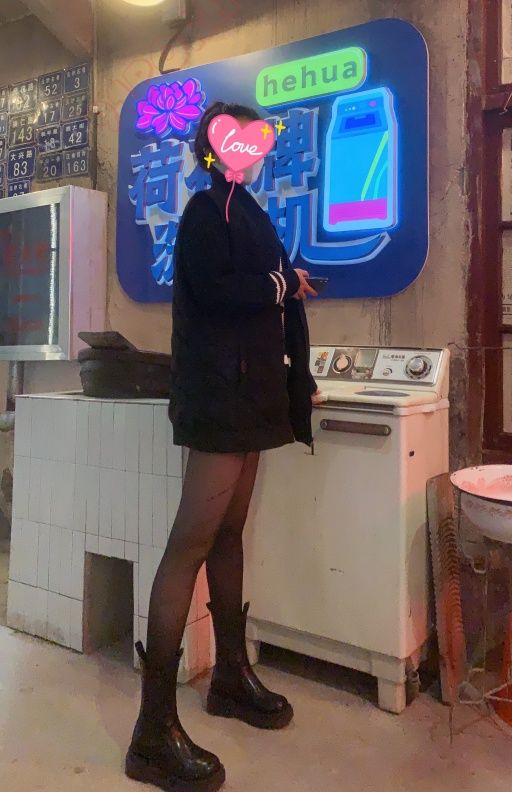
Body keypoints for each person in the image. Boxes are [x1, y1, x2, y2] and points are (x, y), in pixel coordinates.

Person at [126, 102, 320, 792]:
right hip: (218, 399)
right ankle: (152, 731)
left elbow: (267, 292)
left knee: (229, 534)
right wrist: (279, 284)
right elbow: (215, 293)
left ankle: (230, 679)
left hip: (253, 395)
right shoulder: (205, 213)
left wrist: (292, 322)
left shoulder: (250, 213)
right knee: (190, 543)